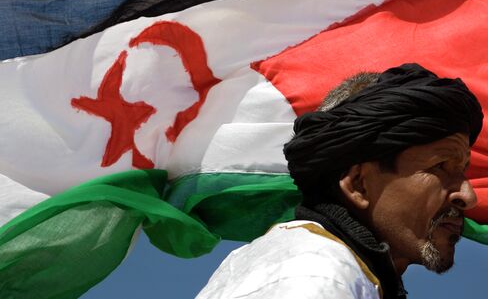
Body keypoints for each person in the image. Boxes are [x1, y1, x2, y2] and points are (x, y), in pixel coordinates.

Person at [195, 63, 484, 299]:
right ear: (358, 184)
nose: (467, 196)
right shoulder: (313, 278)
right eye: (439, 167)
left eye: (463, 171)